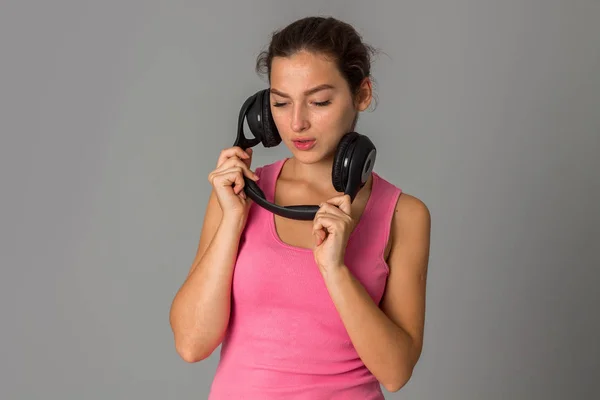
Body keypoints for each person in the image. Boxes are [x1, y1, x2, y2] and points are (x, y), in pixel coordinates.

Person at [169, 16, 431, 399]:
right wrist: (233, 222)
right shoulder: (241, 193)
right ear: (262, 110)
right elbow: (192, 344)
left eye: (319, 101)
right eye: (280, 102)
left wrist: (335, 270)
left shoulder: (403, 214)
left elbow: (395, 372)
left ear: (362, 94)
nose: (296, 123)